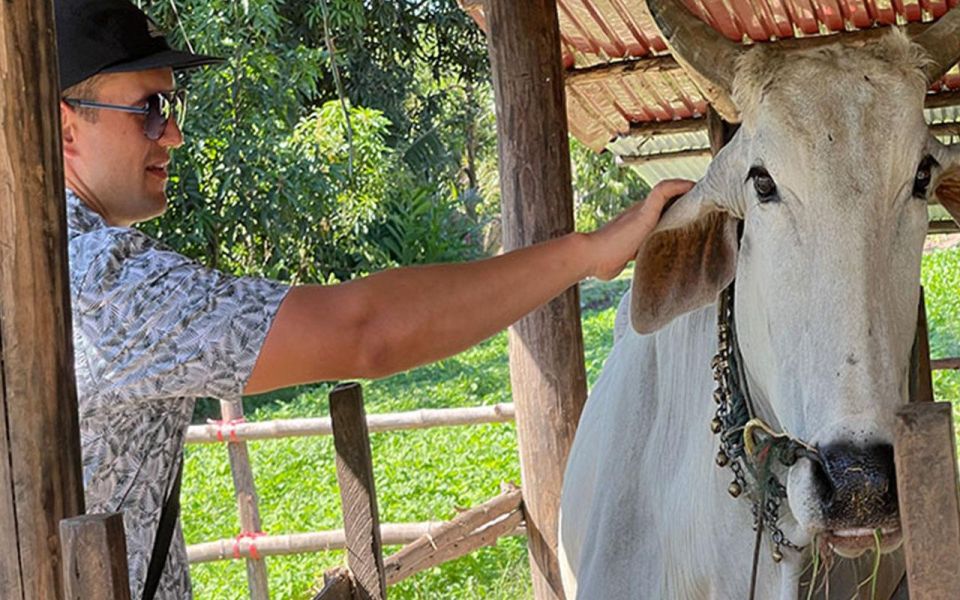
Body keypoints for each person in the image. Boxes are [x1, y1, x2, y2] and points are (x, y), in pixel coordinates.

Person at [55, 0, 693, 597]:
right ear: (65, 128)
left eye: (172, 109)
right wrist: (588, 253)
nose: (173, 136)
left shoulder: (53, 266)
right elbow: (366, 330)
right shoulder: (98, 282)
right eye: (148, 109)